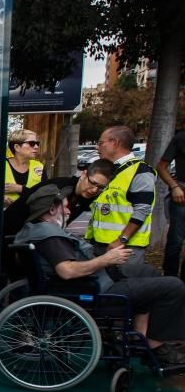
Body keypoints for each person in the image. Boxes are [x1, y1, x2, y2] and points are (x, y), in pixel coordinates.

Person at [15, 185, 185, 365]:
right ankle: (157, 347)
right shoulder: (50, 237)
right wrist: (106, 259)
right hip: (92, 292)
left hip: (87, 283)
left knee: (149, 272)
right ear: (51, 209)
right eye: (64, 206)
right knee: (174, 286)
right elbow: (67, 271)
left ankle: (140, 337)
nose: (68, 210)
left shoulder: (36, 230)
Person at [87, 126, 154, 266]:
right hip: (100, 244)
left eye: (100, 143)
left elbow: (142, 209)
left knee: (125, 286)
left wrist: (122, 240)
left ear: (115, 143)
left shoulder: (140, 171)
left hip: (125, 248)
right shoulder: (110, 170)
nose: (97, 148)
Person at [0, 129, 47, 238]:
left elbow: (45, 197)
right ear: (17, 147)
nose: (36, 147)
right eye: (31, 143)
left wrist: (21, 189)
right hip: (3, 227)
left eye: (37, 143)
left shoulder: (39, 168)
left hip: (31, 227)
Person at [156, 130, 185, 278]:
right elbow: (161, 166)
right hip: (182, 196)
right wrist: (174, 187)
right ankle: (170, 279)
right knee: (176, 240)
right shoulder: (181, 138)